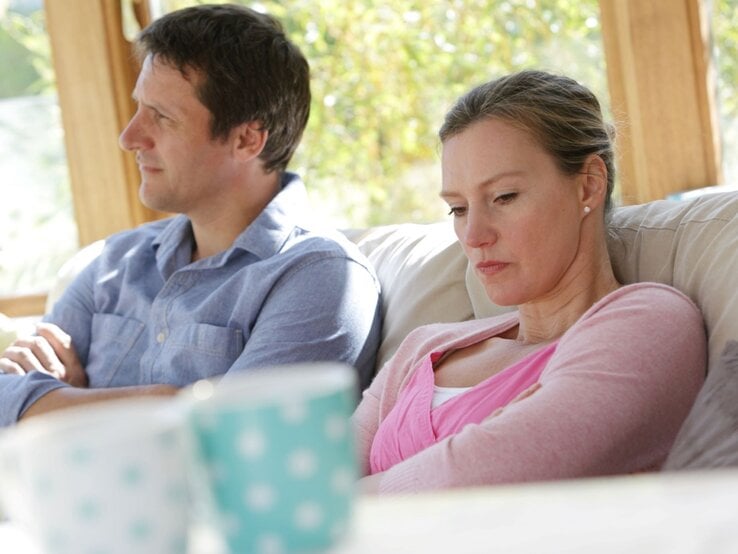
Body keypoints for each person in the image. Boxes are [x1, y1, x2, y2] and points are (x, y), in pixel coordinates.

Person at [0, 4, 381, 425]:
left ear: (247, 139)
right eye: (139, 108)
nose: (129, 137)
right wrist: (163, 401)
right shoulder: (113, 262)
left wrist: (59, 404)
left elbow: (232, 437)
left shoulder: (320, 278)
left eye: (161, 117)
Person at [352, 70, 706, 494]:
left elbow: (470, 480)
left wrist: (349, 498)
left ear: (588, 186)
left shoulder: (650, 323)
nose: (474, 235)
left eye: (504, 197)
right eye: (459, 209)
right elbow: (309, 483)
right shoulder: (423, 349)